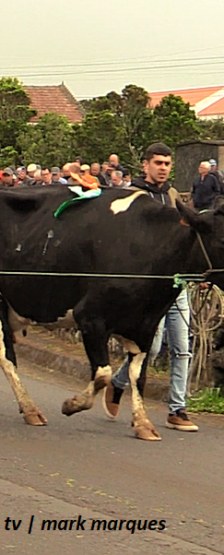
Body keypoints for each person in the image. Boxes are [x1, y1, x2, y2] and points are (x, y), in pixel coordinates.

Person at [104, 142, 198, 432]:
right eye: (158, 163)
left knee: (183, 347)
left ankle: (177, 409)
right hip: (146, 286)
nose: (163, 168)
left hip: (177, 282)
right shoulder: (131, 196)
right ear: (145, 165)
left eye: (167, 164)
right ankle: (119, 383)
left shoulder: (173, 196)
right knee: (152, 346)